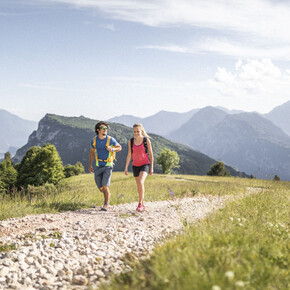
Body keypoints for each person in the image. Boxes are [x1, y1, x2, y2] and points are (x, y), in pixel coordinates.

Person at [89, 121, 122, 211]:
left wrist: (112, 149)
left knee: (105, 186)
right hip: (97, 166)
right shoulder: (94, 140)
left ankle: (106, 204)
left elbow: (119, 147)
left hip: (108, 165)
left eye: (106, 129)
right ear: (98, 130)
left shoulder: (110, 139)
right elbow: (92, 152)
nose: (105, 130)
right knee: (100, 187)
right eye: (103, 129)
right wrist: (90, 165)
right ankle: (108, 195)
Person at [124, 123, 154, 212]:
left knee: (141, 182)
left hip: (145, 164)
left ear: (141, 131)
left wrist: (152, 167)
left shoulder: (146, 140)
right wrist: (126, 167)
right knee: (139, 185)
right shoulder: (131, 141)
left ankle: (140, 204)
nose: (136, 133)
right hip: (135, 165)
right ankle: (142, 204)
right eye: (134, 131)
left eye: (138, 131)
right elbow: (129, 154)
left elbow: (151, 155)